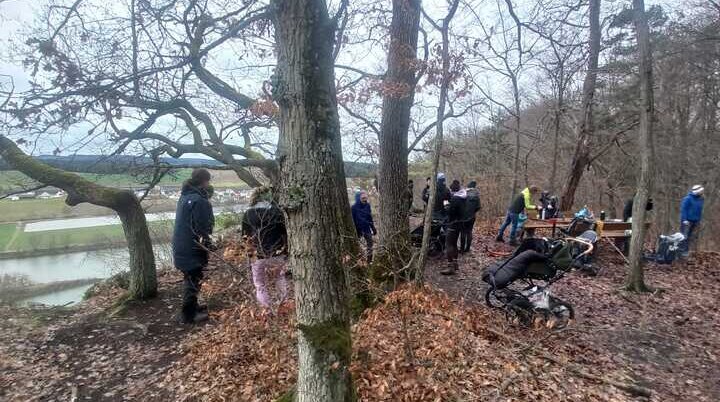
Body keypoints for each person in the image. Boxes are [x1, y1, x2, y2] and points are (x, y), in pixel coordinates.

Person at [172, 168, 215, 324]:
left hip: (181, 245)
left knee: (191, 277)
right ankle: (188, 315)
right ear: (205, 181)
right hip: (192, 247)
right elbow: (202, 227)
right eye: (208, 181)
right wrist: (209, 244)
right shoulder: (199, 200)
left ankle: (193, 306)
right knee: (193, 278)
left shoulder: (185, 197)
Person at [241, 186, 289, 308]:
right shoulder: (277, 212)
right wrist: (286, 250)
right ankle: (284, 306)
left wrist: (249, 254)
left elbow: (245, 237)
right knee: (280, 278)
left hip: (258, 255)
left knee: (260, 284)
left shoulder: (248, 214)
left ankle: (266, 310)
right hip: (277, 252)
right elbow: (284, 233)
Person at [442, 185, 467, 275]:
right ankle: (455, 263)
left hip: (453, 224)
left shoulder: (455, 199)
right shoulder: (463, 197)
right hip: (460, 223)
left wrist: (446, 204)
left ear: (453, 190)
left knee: (448, 244)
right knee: (454, 244)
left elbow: (450, 212)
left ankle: (450, 267)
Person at [679, 185, 705, 257]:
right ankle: (681, 252)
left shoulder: (701, 199)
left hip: (695, 221)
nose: (702, 192)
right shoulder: (688, 199)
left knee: (690, 237)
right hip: (687, 221)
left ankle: (686, 251)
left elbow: (699, 211)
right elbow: (683, 209)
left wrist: (698, 220)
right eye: (700, 191)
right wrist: (684, 219)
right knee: (684, 236)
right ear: (696, 191)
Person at [352, 190, 376, 263]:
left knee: (370, 243)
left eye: (365, 198)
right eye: (363, 198)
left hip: (366, 228)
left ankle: (369, 261)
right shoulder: (353, 207)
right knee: (356, 244)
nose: (364, 200)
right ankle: (359, 260)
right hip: (357, 229)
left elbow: (369, 217)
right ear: (358, 198)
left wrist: (373, 228)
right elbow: (352, 220)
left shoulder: (367, 205)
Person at [460, 181, 481, 253]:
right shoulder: (477, 195)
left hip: (463, 217)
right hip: (472, 216)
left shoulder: (464, 194)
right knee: (469, 232)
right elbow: (478, 207)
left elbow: (461, 205)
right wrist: (473, 212)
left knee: (463, 232)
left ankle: (462, 249)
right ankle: (467, 248)